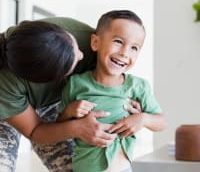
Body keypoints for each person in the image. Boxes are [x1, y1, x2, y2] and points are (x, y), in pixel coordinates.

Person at [0, 17, 125, 172]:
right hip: (6, 109)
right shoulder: (4, 85)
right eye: (73, 62)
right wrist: (77, 128)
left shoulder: (84, 37)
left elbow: (117, 73)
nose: (81, 55)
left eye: (76, 46)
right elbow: (34, 130)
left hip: (57, 100)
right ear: (47, 79)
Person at [58, 10, 166, 172]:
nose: (124, 53)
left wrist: (143, 119)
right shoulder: (76, 83)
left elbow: (161, 122)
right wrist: (69, 111)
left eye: (134, 48)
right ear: (95, 43)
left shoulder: (137, 86)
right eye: (118, 41)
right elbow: (60, 125)